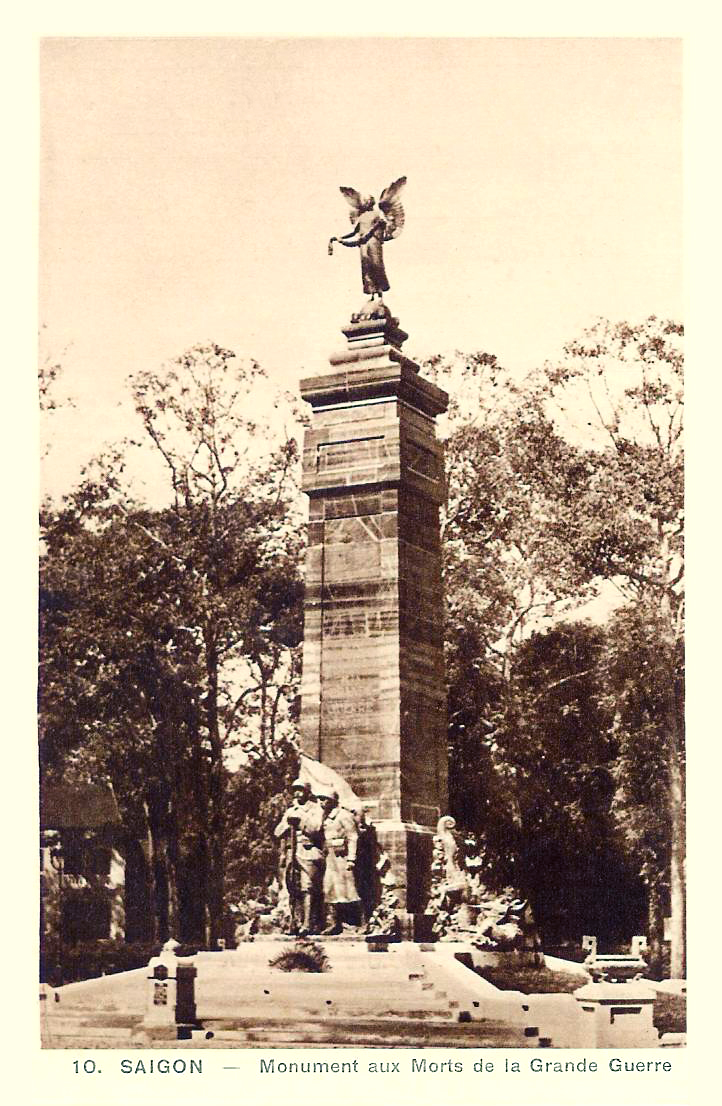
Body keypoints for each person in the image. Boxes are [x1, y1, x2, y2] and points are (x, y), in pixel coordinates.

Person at [274, 779, 324, 936]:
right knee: (291, 888)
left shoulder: (316, 809)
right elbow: (278, 832)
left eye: (300, 790)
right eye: (295, 790)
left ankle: (308, 924)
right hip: (291, 853)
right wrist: (288, 823)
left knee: (307, 887)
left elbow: (316, 828)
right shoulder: (291, 810)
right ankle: (293, 922)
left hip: (308, 851)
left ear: (308, 792)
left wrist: (301, 821)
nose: (297, 793)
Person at [317, 788, 361, 935]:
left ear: (333, 801)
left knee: (347, 890)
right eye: (320, 799)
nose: (321, 802)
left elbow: (353, 836)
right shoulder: (324, 816)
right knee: (330, 889)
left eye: (325, 799)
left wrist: (351, 859)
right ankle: (334, 923)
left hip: (342, 856)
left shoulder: (343, 815)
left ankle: (353, 923)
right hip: (330, 857)